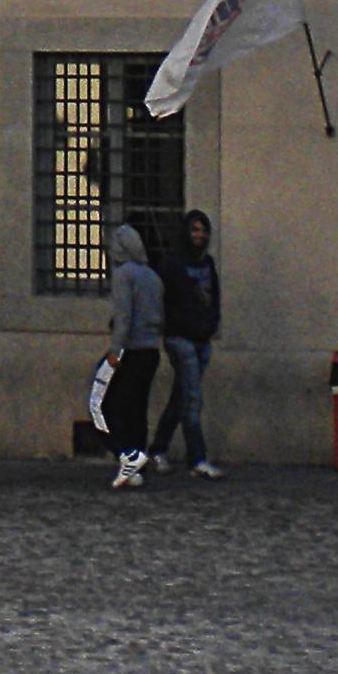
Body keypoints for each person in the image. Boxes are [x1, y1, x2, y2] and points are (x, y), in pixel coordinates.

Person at [150, 209, 224, 478]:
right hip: (180, 338)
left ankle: (158, 448)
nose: (199, 235)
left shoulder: (208, 264)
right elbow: (162, 300)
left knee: (181, 396)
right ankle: (197, 459)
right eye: (194, 230)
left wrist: (211, 324)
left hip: (202, 339)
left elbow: (214, 298)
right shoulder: (171, 265)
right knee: (192, 398)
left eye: (203, 230)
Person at [102, 220, 162, 489]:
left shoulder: (124, 275)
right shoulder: (152, 276)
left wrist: (115, 352)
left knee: (108, 406)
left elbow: (124, 317)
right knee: (137, 410)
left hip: (131, 350)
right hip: (150, 350)